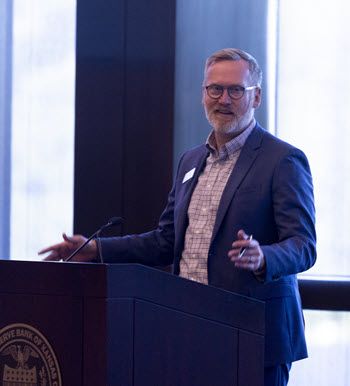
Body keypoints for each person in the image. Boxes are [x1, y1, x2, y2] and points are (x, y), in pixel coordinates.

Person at [39, 48, 316, 386]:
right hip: (191, 328)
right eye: (215, 89)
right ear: (203, 95)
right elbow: (165, 240)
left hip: (255, 332)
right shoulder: (190, 161)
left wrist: (263, 257)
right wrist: (97, 249)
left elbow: (303, 245)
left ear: (256, 96)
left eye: (235, 90)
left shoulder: (282, 159)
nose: (223, 99)